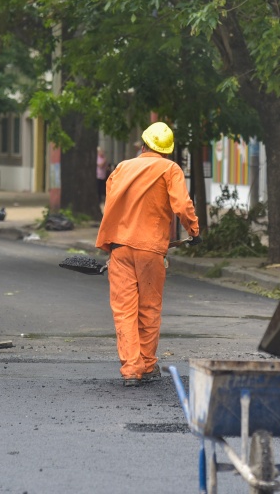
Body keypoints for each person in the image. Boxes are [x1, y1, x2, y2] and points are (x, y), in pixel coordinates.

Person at [95, 122, 202, 386]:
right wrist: (194, 230)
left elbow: (111, 203)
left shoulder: (121, 168)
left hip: (120, 247)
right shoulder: (170, 169)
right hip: (150, 250)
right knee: (149, 308)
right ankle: (148, 364)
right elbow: (182, 205)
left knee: (124, 310)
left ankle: (131, 370)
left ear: (143, 144)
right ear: (167, 151)